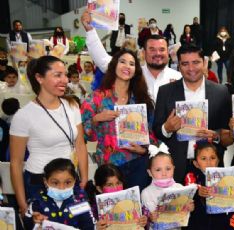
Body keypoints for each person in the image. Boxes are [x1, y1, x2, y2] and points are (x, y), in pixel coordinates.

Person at [10, 56, 88, 216]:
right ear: (39, 78)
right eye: (57, 75)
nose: (65, 80)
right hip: (39, 182)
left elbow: (80, 144)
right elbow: (16, 163)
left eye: (65, 75)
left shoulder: (72, 106)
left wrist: (84, 178)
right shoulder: (24, 115)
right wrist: (22, 203)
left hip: (70, 179)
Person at [153, 44, 232, 183]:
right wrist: (167, 128)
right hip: (176, 168)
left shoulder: (221, 92)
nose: (191, 68)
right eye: (185, 64)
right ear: (179, 66)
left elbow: (228, 133)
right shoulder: (165, 92)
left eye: (196, 62)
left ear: (204, 63)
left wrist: (216, 136)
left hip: (211, 167)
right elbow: (157, 129)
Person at [81, 49, 154, 191]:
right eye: (122, 62)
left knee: (137, 208)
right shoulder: (97, 97)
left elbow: (151, 134)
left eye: (132, 64)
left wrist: (144, 150)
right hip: (109, 169)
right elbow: (82, 134)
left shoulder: (141, 99)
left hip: (138, 164)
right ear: (114, 65)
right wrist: (96, 119)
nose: (127, 66)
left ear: (136, 70)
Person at [81, 11, 182, 103]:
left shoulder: (179, 78)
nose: (157, 53)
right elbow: (103, 60)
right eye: (152, 49)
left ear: (168, 52)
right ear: (143, 53)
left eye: (162, 49)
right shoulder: (133, 74)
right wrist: (90, 31)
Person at [23, 158, 95, 230]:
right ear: (45, 181)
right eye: (55, 183)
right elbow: (27, 224)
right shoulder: (37, 201)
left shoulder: (80, 200)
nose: (62, 188)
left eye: (68, 182)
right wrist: (33, 220)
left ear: (74, 181)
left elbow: (89, 225)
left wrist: (96, 227)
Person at [141, 144, 195, 229]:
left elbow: (184, 216)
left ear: (173, 168)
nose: (164, 173)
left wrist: (189, 208)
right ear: (150, 172)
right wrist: (150, 218)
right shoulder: (146, 193)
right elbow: (146, 219)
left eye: (168, 169)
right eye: (158, 170)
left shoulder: (179, 188)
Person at [85, 164, 148, 229]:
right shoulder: (92, 210)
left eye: (118, 183)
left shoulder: (131, 199)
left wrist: (144, 219)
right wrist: (95, 227)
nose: (115, 188)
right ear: (99, 189)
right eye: (109, 185)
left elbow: (144, 213)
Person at [184, 142, 230, 229]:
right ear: (196, 164)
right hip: (198, 223)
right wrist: (197, 191)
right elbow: (188, 190)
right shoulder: (191, 176)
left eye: (212, 158)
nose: (208, 162)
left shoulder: (224, 177)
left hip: (220, 222)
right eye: (204, 158)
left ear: (218, 161)